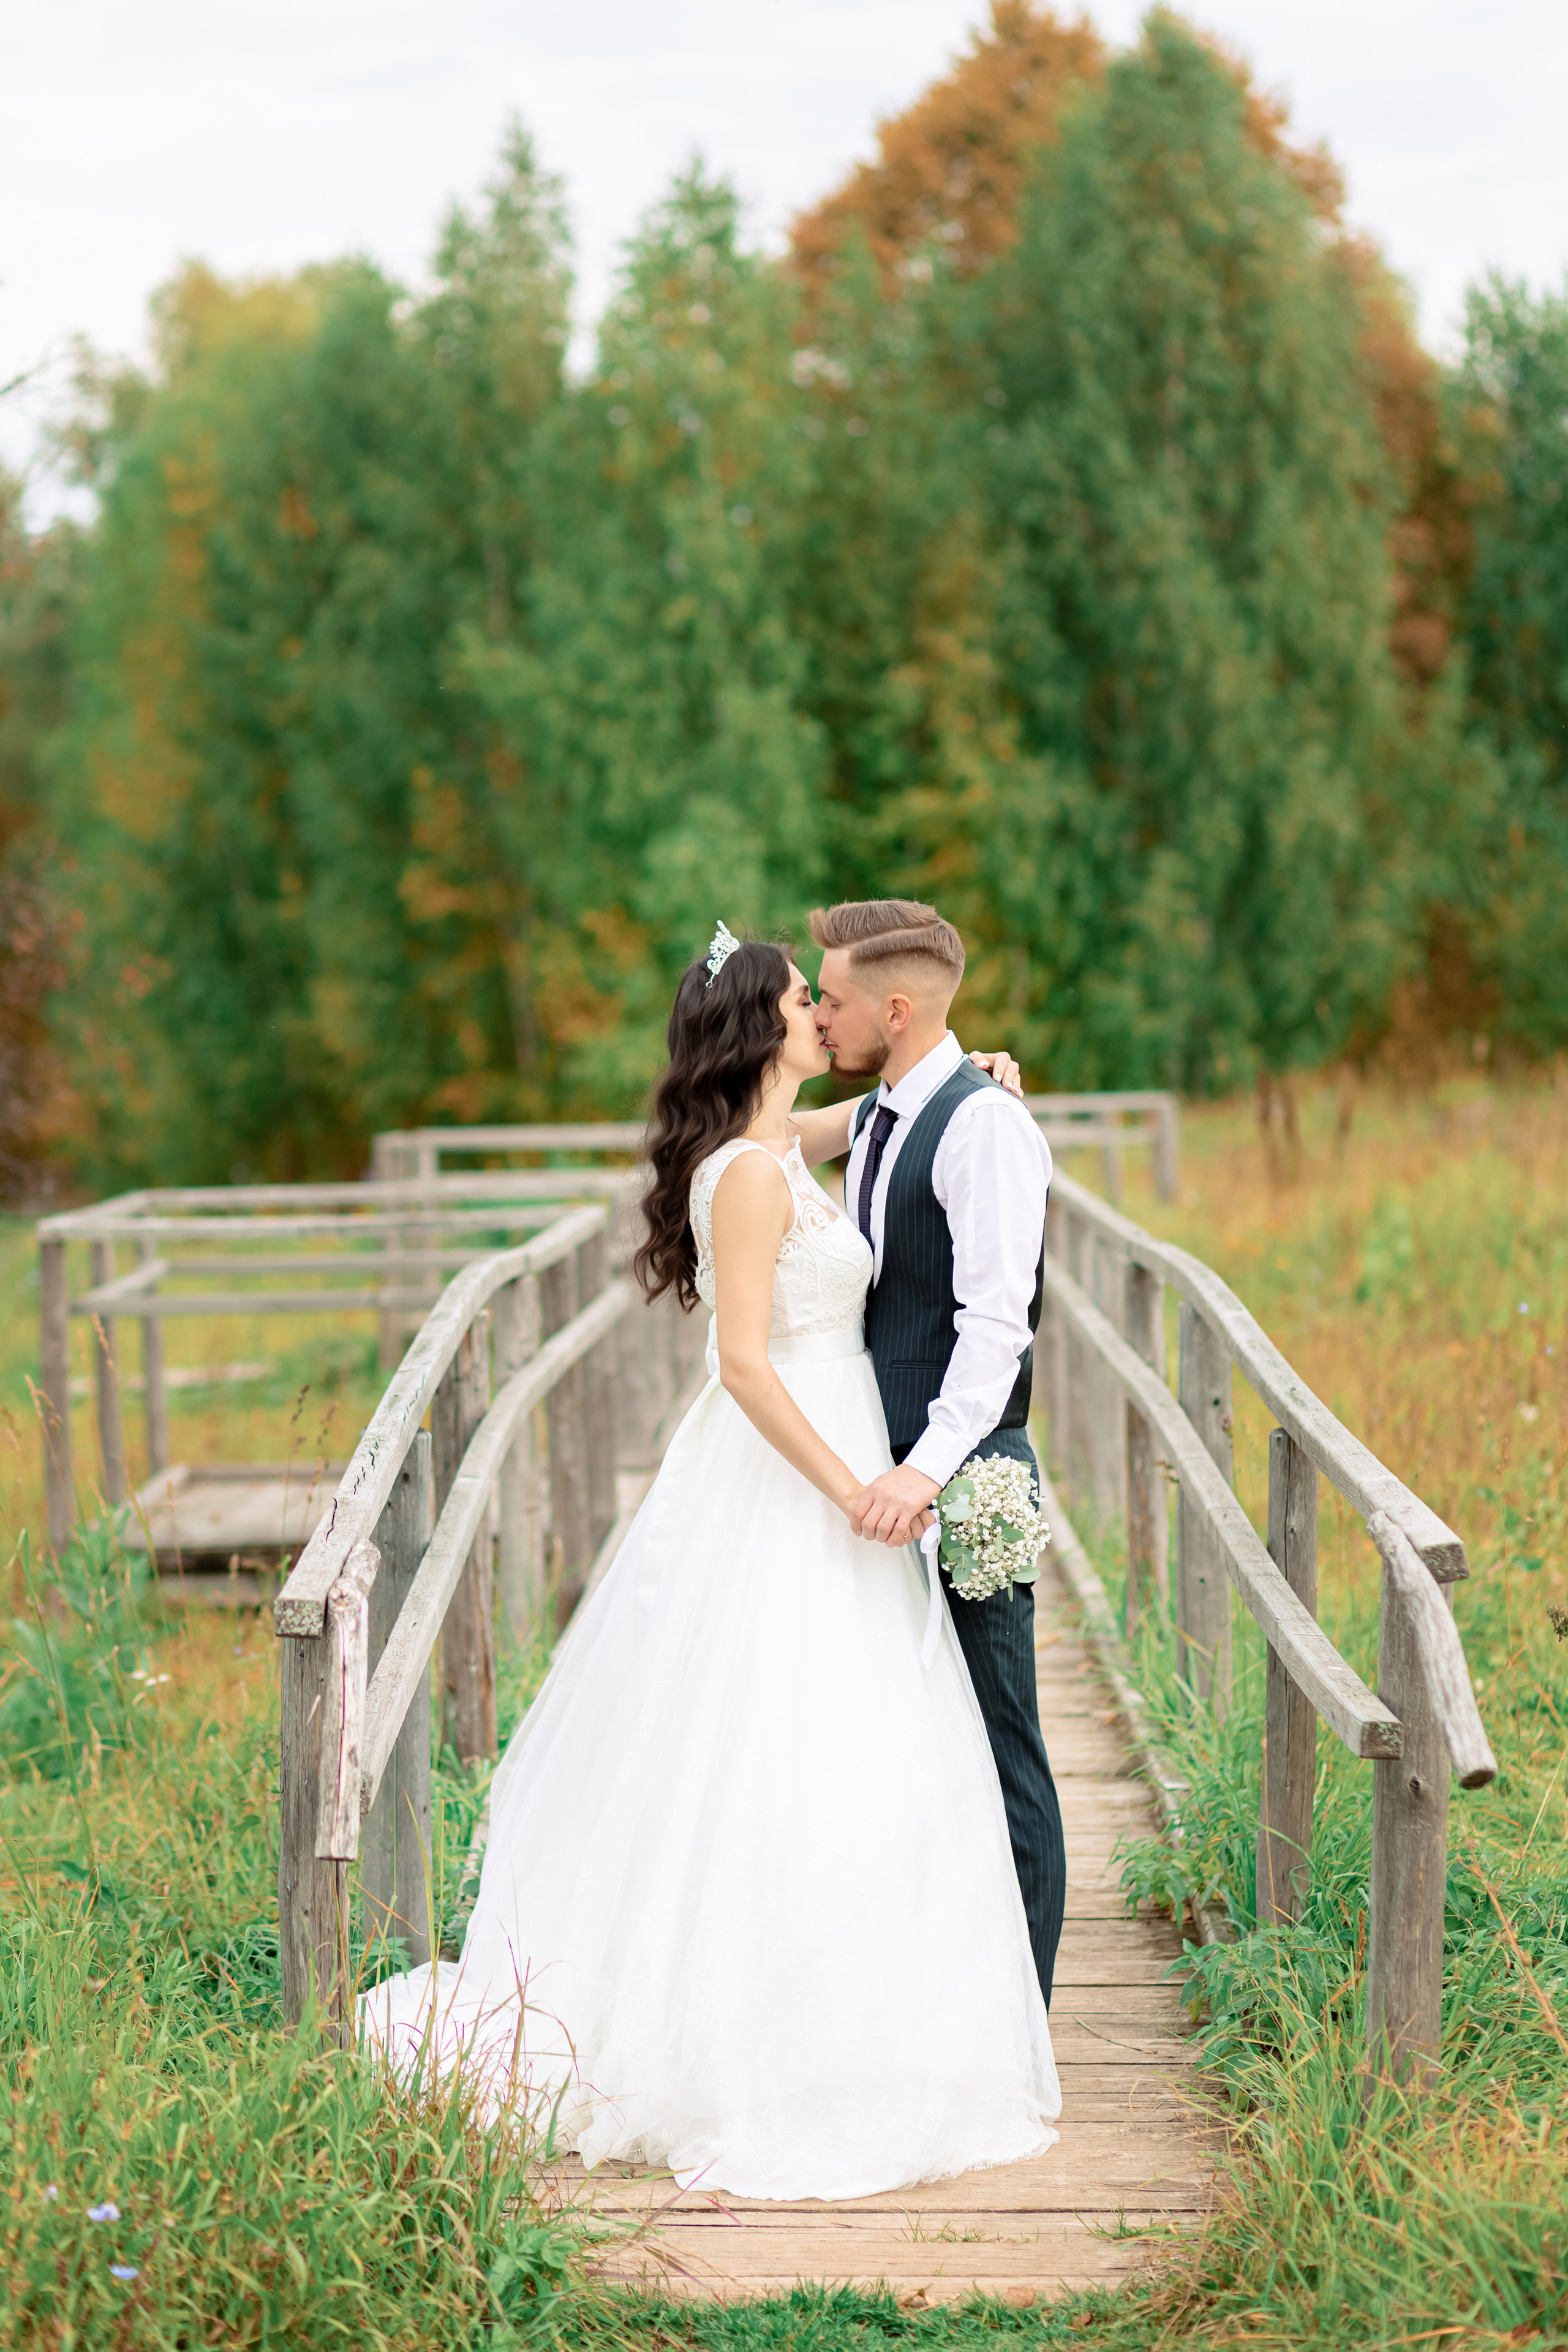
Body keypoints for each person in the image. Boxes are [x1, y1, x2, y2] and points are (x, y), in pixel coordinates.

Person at [361, 922, 1059, 2201]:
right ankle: (762, 2026)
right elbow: (742, 1365)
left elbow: (890, 1120)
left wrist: (978, 1078)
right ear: (766, 1028)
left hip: (847, 1440)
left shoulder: (784, 1143)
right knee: (775, 1730)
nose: (823, 1013)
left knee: (850, 1733)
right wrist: (857, 1482)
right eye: (806, 999)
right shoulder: (746, 1178)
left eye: (833, 998)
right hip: (805, 1465)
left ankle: (869, 1997)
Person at [812, 898, 1067, 2010]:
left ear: (896, 1008)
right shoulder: (879, 1116)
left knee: (999, 1732)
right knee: (908, 1739)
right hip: (880, 1477)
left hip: (957, 1477)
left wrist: (929, 1470)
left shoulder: (984, 1128)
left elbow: (997, 1325)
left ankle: (1024, 2017)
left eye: (832, 1000)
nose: (821, 1018)